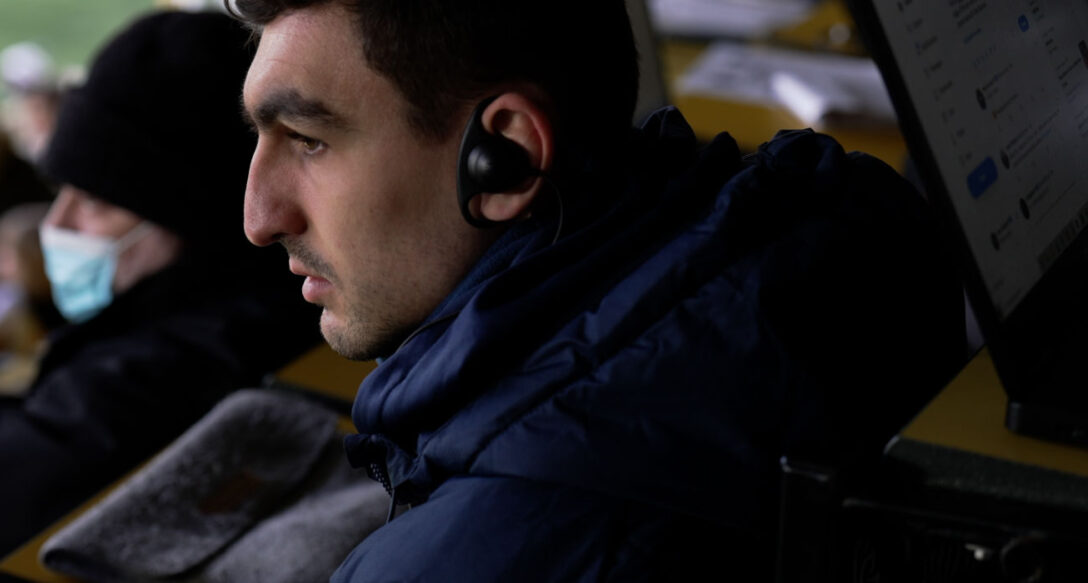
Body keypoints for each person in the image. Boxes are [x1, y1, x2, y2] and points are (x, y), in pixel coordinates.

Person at [232, 1, 964, 580]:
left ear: (506, 156)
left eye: (309, 140)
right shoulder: (804, 234)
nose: (259, 218)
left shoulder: (480, 554)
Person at [0, 11, 320, 574]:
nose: (58, 224)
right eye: (61, 191)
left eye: (96, 203)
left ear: (193, 220)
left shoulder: (171, 370)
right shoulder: (260, 307)